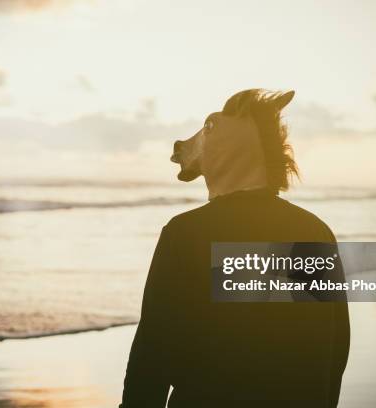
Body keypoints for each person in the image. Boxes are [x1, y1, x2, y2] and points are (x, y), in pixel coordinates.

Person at [120, 89, 350, 407]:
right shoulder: (316, 232)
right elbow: (335, 348)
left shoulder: (185, 233)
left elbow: (153, 349)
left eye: (210, 128)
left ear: (233, 143)